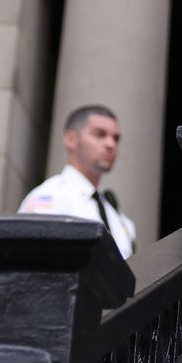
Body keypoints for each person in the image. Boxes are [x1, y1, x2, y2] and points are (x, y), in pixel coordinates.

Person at [17, 104, 137, 259]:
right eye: (100, 134)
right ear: (71, 139)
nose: (111, 144)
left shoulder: (121, 220)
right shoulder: (50, 198)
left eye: (116, 138)